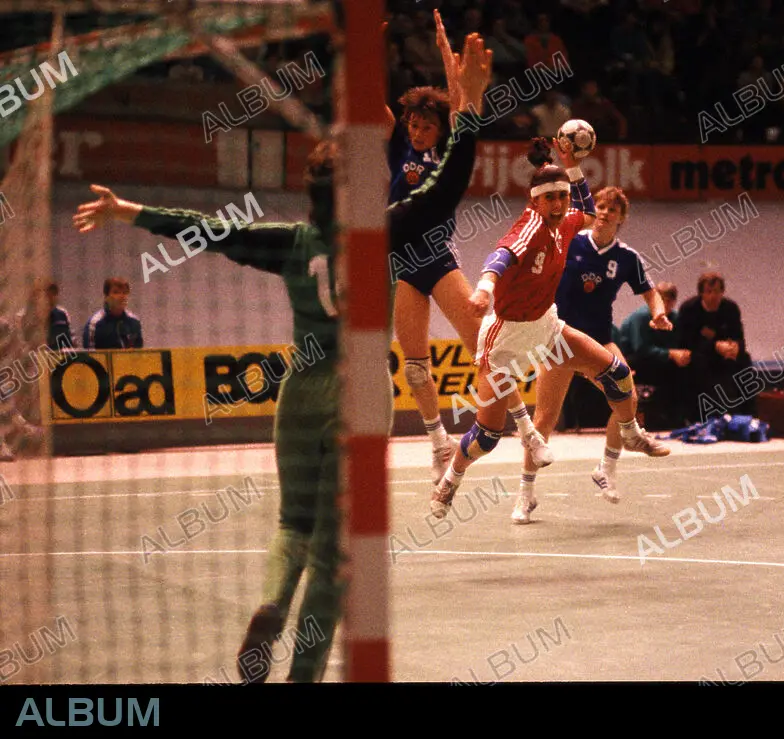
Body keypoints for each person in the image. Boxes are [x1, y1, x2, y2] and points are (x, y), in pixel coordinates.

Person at [70, 33, 497, 683]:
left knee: (292, 524)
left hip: (298, 392)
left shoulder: (292, 242)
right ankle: (303, 674)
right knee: (335, 553)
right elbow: (446, 188)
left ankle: (271, 601)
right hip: (358, 397)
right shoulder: (384, 233)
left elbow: (207, 230)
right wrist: (470, 108)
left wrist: (127, 210)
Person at [430, 136, 670, 522]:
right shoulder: (530, 226)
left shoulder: (568, 223)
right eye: (550, 198)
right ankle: (450, 480)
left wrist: (571, 164)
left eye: (562, 196)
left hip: (547, 327)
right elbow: (501, 255)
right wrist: (484, 288)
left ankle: (628, 432)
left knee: (618, 373)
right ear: (535, 201)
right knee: (487, 437)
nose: (558, 204)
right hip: (506, 337)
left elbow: (586, 211)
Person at [386, 11, 549, 485]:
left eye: (425, 126)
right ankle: (438, 443)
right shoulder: (398, 149)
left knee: (486, 350)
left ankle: (528, 433)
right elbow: (373, 104)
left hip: (438, 260)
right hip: (404, 266)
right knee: (416, 368)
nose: (417, 131)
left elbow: (461, 106)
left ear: (439, 130)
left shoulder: (447, 155)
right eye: (413, 125)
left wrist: (446, 54)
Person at [513, 186, 672, 521]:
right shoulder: (570, 240)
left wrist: (658, 313)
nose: (604, 212)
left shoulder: (627, 257)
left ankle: (606, 469)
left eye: (612, 209)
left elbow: (651, 292)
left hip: (599, 341)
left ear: (621, 218)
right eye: (600, 206)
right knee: (544, 419)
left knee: (627, 395)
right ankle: (525, 495)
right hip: (559, 339)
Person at [674, 271, 754, 421]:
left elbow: (739, 337)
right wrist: (715, 346)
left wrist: (735, 347)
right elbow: (685, 342)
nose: (713, 296)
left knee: (745, 361)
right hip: (700, 354)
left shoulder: (731, 308)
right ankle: (701, 417)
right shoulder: (689, 309)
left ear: (722, 292)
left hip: (726, 354)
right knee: (700, 364)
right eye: (709, 292)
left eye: (717, 291)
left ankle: (747, 415)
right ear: (701, 293)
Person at [619, 280, 689, 425]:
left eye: (669, 301)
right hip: (633, 359)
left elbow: (677, 342)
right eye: (662, 300)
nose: (665, 305)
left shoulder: (675, 318)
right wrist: (670, 354)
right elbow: (640, 348)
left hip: (659, 359)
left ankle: (677, 417)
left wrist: (682, 355)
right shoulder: (641, 317)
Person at [82, 277, 142, 350]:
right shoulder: (95, 324)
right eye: (116, 292)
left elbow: (140, 353)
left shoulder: (134, 321)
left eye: (125, 292)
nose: (122, 296)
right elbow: (89, 354)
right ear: (106, 297)